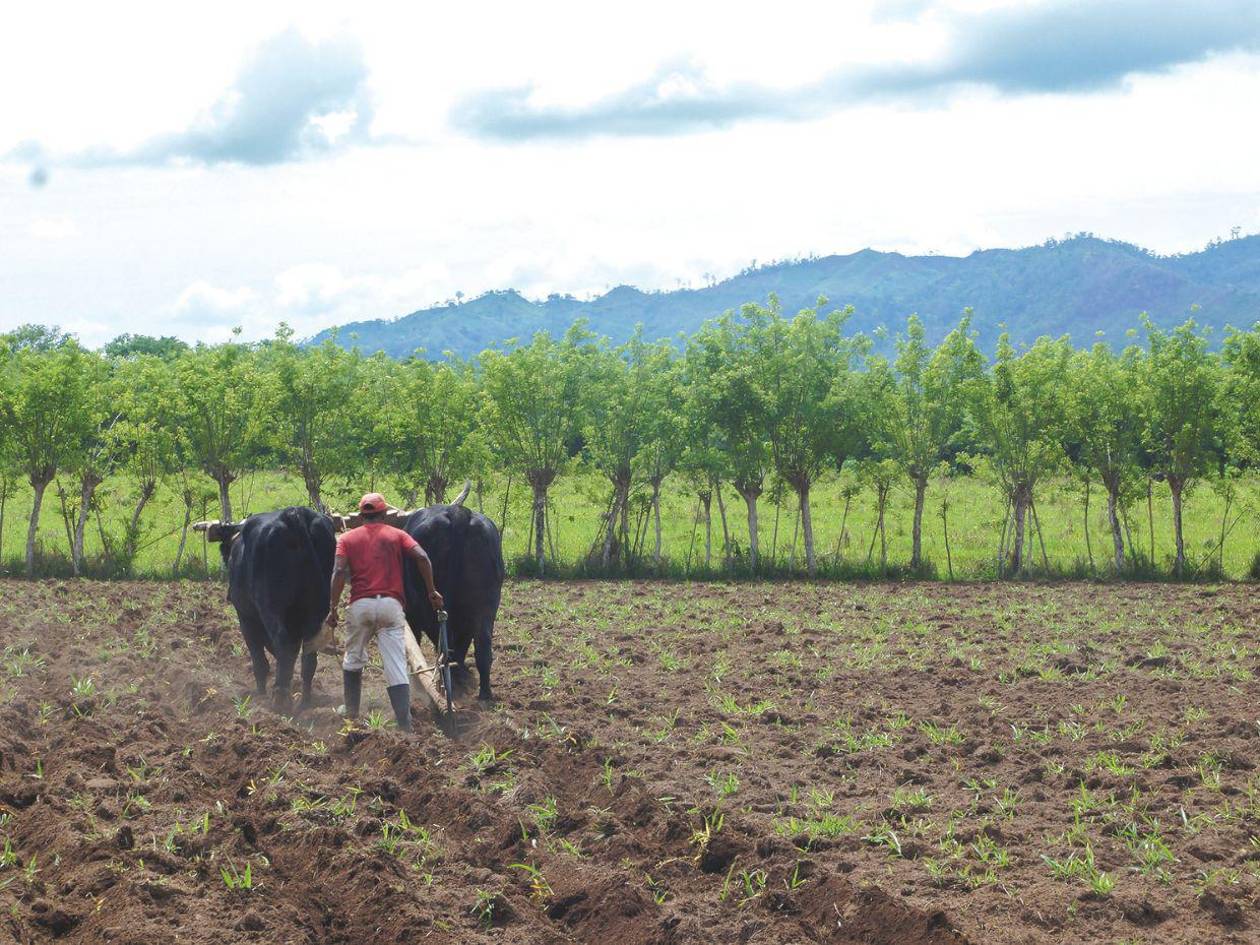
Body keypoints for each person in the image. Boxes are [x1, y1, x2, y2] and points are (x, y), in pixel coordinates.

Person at [326, 492, 444, 732]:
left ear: (361, 517)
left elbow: (338, 572)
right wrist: (432, 591)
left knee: (353, 659)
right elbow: (421, 556)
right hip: (391, 606)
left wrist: (333, 608)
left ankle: (351, 719)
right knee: (396, 665)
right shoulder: (398, 534)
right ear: (384, 515)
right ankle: (404, 724)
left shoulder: (346, 539)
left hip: (360, 606)